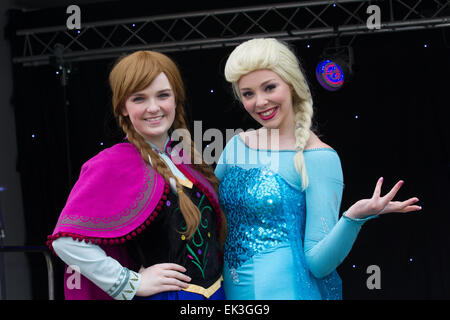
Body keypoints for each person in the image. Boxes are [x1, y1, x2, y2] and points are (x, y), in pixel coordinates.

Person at [214, 38, 421, 300]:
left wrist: (353, 218)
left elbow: (319, 264)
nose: (260, 102)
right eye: (248, 94)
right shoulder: (235, 146)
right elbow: (206, 211)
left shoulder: (319, 157)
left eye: (269, 87)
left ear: (291, 84)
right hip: (228, 294)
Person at [47, 50, 226, 300]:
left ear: (176, 100)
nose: (153, 107)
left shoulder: (186, 159)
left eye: (163, 95)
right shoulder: (110, 164)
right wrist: (130, 283)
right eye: (139, 99)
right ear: (122, 107)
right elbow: (66, 241)